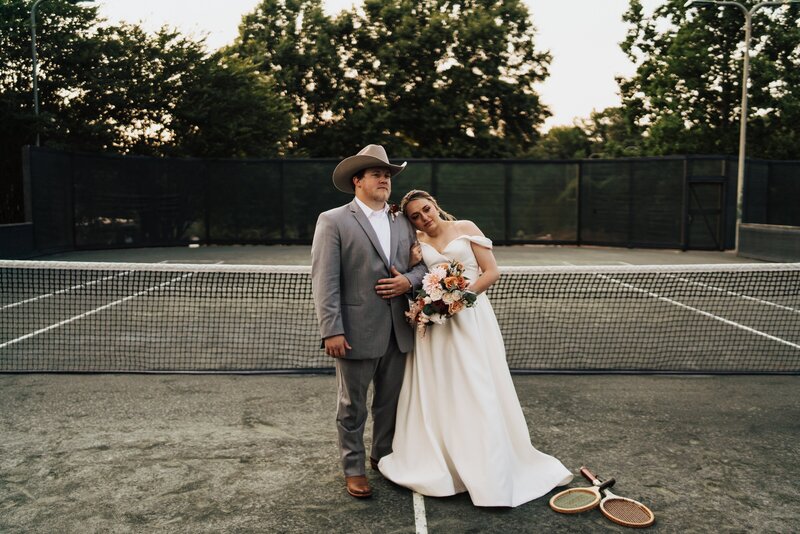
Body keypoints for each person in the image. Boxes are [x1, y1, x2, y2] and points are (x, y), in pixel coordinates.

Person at [377, 189, 573, 507]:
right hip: (435, 325)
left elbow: (491, 272)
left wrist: (460, 298)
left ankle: (486, 469)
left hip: (471, 320)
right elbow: (418, 277)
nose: (424, 218)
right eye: (415, 216)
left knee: (476, 385)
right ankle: (444, 462)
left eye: (426, 210)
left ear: (435, 205)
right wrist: (428, 302)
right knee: (441, 388)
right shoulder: (416, 243)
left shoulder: (466, 228)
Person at [311, 145, 427, 499]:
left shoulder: (402, 221)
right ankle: (354, 468)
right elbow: (324, 279)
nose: (384, 179)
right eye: (377, 174)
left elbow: (423, 267)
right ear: (357, 180)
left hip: (400, 330)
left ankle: (383, 457)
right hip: (355, 332)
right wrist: (332, 329)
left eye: (388, 175)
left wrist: (408, 281)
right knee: (352, 407)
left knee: (390, 403)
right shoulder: (333, 220)